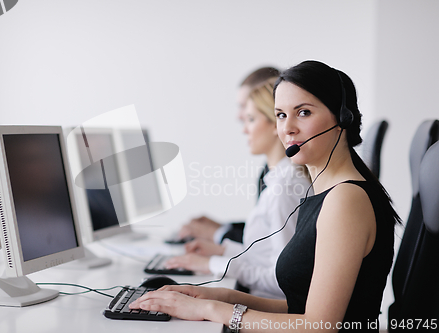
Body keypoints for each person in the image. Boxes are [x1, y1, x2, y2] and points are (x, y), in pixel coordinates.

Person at [130, 60, 400, 332]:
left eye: (303, 112)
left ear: (342, 118)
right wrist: (218, 296)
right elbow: (299, 307)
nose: (288, 128)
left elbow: (319, 326)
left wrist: (212, 310)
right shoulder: (320, 194)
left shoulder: (346, 200)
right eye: (281, 115)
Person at [165, 79, 311, 299]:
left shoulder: (285, 188)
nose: (244, 129)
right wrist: (224, 252)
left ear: (275, 125)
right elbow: (266, 256)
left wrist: (215, 264)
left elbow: (283, 280)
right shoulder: (277, 181)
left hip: (268, 310)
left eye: (251, 119)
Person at [179, 67, 281, 245]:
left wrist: (219, 235)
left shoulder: (286, 178)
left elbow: (271, 249)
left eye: (246, 109)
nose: (239, 118)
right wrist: (224, 227)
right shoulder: (270, 169)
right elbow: (266, 229)